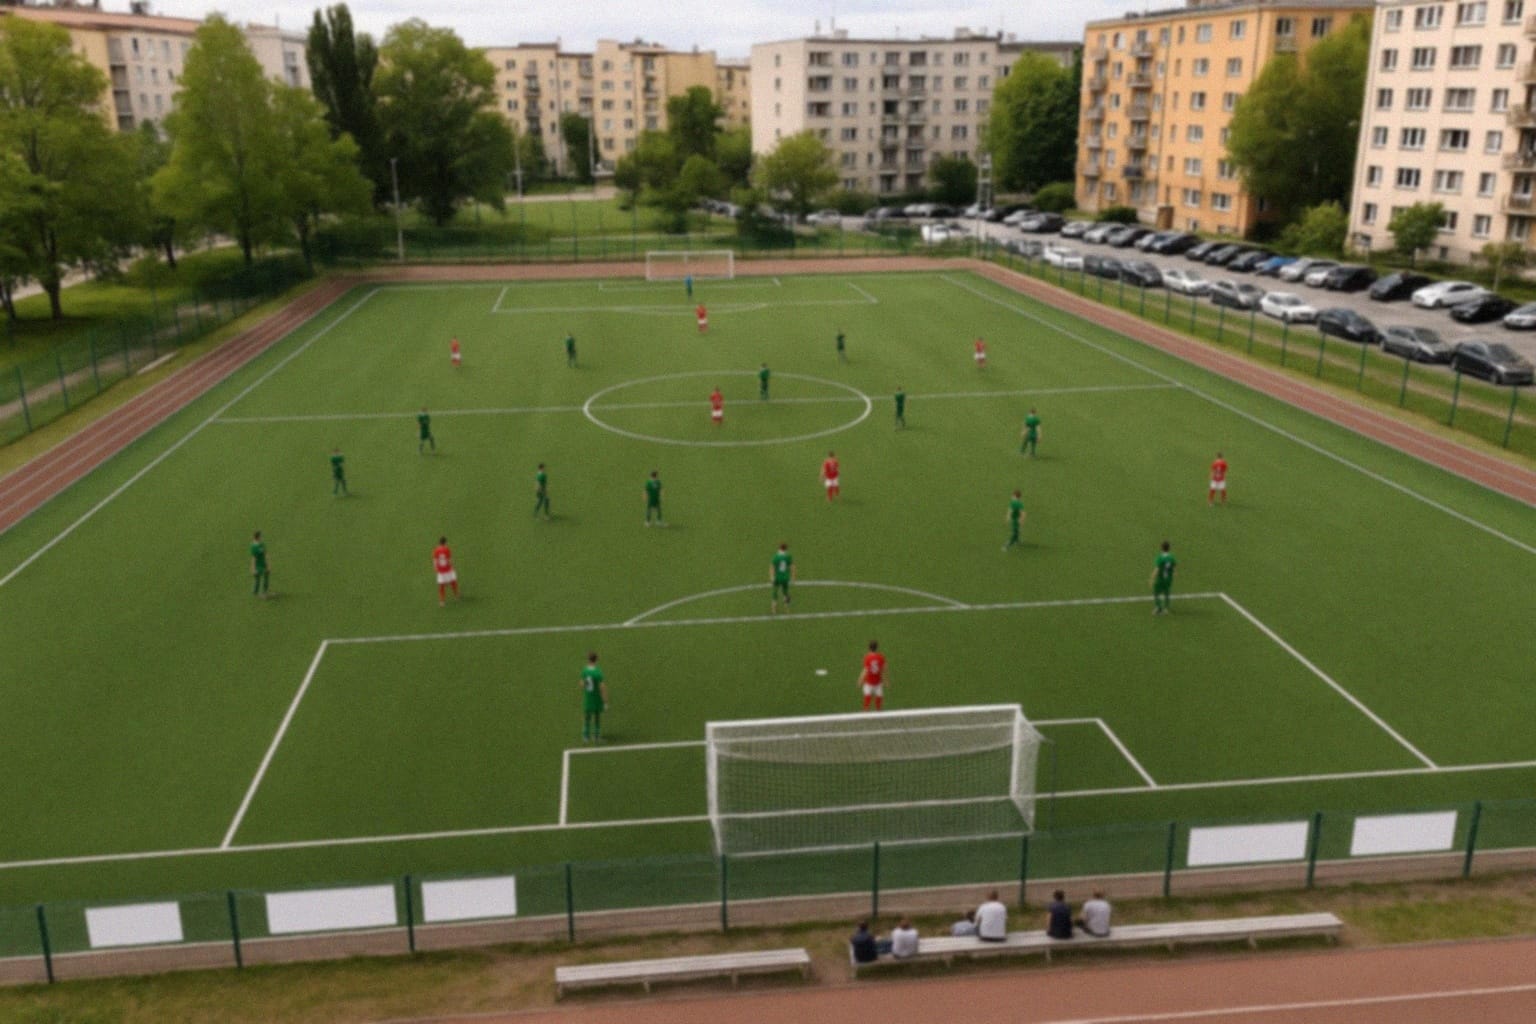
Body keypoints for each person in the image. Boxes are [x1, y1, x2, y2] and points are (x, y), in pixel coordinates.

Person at [580, 651, 608, 743]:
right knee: (597, 717)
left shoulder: (584, 671)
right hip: (596, 698)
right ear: (596, 660)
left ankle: (585, 737)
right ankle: (596, 737)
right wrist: (605, 701)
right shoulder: (598, 672)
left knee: (587, 718)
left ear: (588, 660)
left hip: (588, 698)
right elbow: (602, 687)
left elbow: (581, 684)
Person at [859, 640, 886, 711]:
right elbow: (883, 670)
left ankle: (865, 718)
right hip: (878, 683)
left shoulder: (867, 658)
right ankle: (879, 719)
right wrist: (886, 681)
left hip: (868, 683)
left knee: (866, 703)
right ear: (877, 648)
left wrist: (860, 680)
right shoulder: (881, 657)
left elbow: (865, 671)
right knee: (878, 704)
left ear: (869, 648)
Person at [1151, 540, 1176, 615]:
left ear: (1161, 548)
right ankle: (1166, 608)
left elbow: (1157, 569)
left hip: (1160, 578)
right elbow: (1174, 569)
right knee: (1167, 592)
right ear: (1169, 548)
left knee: (1156, 592)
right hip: (1168, 578)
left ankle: (1158, 608)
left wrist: (1152, 578)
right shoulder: (1172, 558)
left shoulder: (1159, 558)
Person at [433, 535, 459, 606]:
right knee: (453, 581)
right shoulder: (447, 549)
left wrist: (435, 568)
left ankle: (442, 601)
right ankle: (456, 595)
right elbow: (449, 559)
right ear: (445, 542)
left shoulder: (436, 550)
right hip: (448, 569)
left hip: (441, 571)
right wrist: (452, 566)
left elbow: (435, 560)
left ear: (439, 542)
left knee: (441, 586)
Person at [770, 541, 794, 613]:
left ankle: (774, 609)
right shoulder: (788, 556)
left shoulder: (776, 556)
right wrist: (793, 576)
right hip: (785, 577)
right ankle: (787, 609)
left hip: (777, 577)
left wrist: (772, 576)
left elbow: (772, 567)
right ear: (786, 549)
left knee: (775, 592)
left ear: (779, 548)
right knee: (786, 592)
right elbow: (792, 567)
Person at [249, 530, 271, 599]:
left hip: (263, 563)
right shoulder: (254, 547)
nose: (262, 537)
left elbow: (265, 553)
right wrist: (253, 568)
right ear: (258, 537)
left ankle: (265, 591)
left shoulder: (261, 544)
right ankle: (257, 592)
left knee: (266, 576)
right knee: (257, 579)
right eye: (261, 536)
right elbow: (253, 558)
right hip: (258, 565)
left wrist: (268, 564)